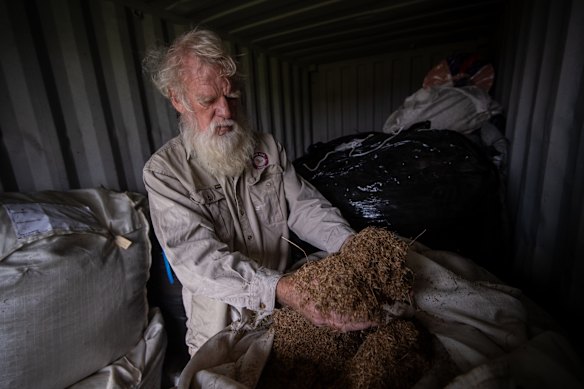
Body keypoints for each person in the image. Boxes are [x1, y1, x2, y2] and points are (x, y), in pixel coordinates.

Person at [142, 28, 375, 356]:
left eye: (233, 96)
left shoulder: (266, 148)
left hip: (281, 315)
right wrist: (280, 288)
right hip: (221, 331)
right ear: (178, 99)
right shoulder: (165, 172)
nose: (226, 111)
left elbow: (305, 208)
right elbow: (198, 260)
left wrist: (353, 247)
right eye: (208, 100)